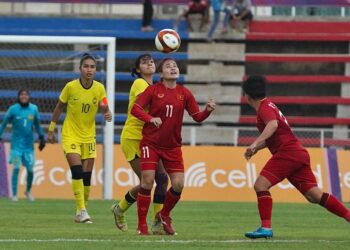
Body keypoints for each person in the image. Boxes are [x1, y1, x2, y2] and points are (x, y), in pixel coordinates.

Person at [242, 75, 350, 239]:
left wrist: (254, 143)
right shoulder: (269, 105)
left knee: (260, 185)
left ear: (247, 96)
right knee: (314, 195)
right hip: (297, 152)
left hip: (288, 153)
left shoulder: (264, 108)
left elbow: (273, 125)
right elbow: (276, 133)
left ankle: (266, 228)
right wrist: (258, 147)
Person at [131, 58, 216, 235]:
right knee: (147, 180)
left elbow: (197, 117)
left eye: (175, 66)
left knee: (178, 184)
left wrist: (207, 110)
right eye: (168, 66)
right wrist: (150, 119)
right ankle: (142, 225)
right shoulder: (153, 90)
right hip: (151, 143)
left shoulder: (184, 93)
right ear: (161, 74)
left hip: (172, 147)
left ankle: (164, 215)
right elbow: (135, 109)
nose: (173, 68)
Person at [48, 53, 112, 223]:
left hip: (89, 136)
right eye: (86, 66)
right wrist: (51, 128)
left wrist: (107, 111)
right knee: (76, 170)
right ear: (80, 69)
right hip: (70, 135)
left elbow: (104, 104)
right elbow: (59, 107)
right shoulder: (70, 87)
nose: (89, 69)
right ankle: (82, 210)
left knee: (86, 176)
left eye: (92, 67)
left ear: (95, 70)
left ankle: (80, 211)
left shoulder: (99, 88)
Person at [111, 54, 168, 233]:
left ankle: (157, 222)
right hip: (133, 137)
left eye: (151, 61)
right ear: (137, 70)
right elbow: (140, 109)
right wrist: (152, 118)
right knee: (147, 182)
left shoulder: (156, 87)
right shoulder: (139, 84)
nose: (149, 63)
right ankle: (120, 209)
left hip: (149, 139)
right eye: (144, 62)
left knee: (161, 178)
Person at [0, 89, 45, 202]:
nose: (24, 96)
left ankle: (28, 191)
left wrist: (41, 137)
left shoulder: (33, 109)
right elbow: (4, 123)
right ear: (18, 96)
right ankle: (14, 195)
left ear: (29, 97)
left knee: (30, 170)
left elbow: (37, 125)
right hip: (16, 146)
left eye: (26, 95)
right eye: (22, 94)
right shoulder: (13, 109)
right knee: (16, 168)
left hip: (28, 146)